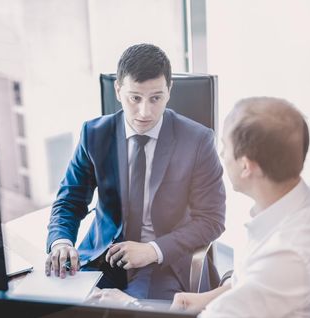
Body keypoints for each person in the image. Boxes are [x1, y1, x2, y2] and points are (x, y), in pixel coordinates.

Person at [45, 43, 226, 300]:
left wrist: (152, 249)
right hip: (103, 257)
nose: (145, 112)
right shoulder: (94, 135)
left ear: (169, 91)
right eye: (135, 98)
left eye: (156, 98)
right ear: (118, 90)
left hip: (165, 263)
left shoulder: (198, 141)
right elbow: (69, 200)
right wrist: (61, 241)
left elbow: (212, 220)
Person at [171, 97, 310, 318]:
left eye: (225, 147)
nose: (221, 154)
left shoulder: (286, 254)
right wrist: (206, 299)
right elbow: (256, 286)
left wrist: (123, 314)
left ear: (246, 166)